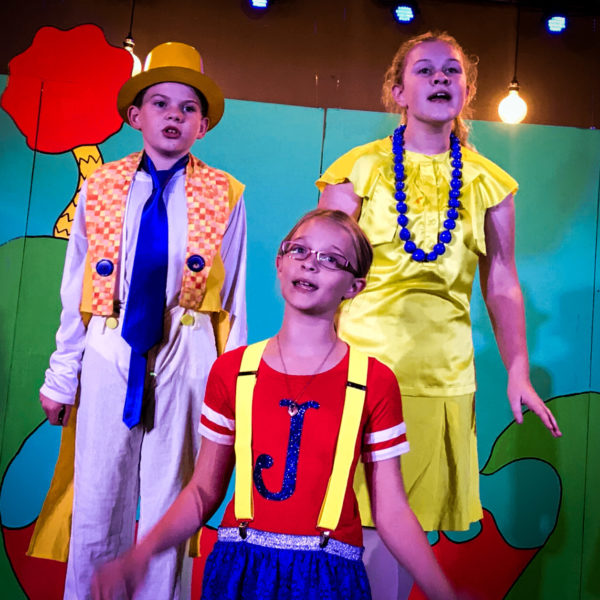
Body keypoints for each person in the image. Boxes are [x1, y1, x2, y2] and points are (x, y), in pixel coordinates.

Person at [90, 208, 458, 600]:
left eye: (331, 259)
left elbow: (392, 511)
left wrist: (445, 594)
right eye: (299, 250)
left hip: (330, 575)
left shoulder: (374, 381)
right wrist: (139, 557)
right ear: (280, 264)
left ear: (354, 286)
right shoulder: (231, 371)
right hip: (239, 568)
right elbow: (202, 493)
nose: (310, 264)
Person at [317, 31, 561, 536]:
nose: (439, 78)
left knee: (408, 529)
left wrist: (518, 370)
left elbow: (501, 283)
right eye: (424, 70)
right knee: (346, 527)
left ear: (467, 91)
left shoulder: (488, 182)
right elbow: (321, 269)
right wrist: (307, 356)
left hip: (442, 374)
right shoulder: (357, 168)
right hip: (359, 367)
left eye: (452, 71)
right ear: (399, 92)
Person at [33, 42, 247, 600]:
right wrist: (62, 374)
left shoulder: (225, 192)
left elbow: (236, 297)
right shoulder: (100, 186)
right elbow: (76, 286)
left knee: (169, 500)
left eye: (187, 108)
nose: (174, 116)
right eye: (160, 103)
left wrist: (232, 387)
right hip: (111, 340)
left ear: (203, 124)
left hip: (187, 341)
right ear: (135, 116)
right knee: (97, 497)